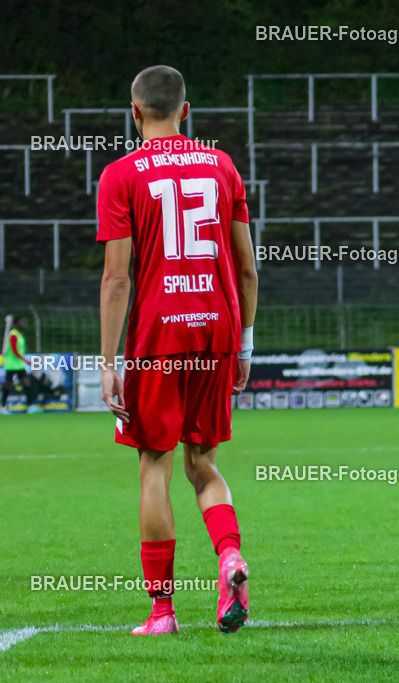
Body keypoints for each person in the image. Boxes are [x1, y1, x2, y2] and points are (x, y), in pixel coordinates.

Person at [97, 65, 259, 636]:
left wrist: (110, 362)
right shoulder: (221, 166)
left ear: (134, 111)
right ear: (186, 112)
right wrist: (244, 345)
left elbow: (118, 279)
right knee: (204, 463)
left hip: (158, 335)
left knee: (154, 466)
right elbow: (245, 266)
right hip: (215, 327)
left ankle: (163, 611)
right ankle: (230, 557)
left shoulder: (120, 175)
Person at [1, 316, 42, 414]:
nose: (22, 324)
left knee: (26, 383)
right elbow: (15, 351)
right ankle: (3, 406)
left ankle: (30, 405)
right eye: (20, 322)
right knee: (8, 385)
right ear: (15, 324)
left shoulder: (19, 335)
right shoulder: (13, 335)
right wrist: (26, 360)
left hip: (19, 364)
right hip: (11, 364)